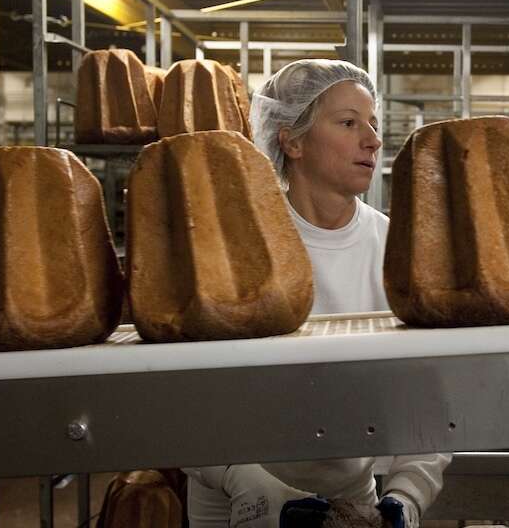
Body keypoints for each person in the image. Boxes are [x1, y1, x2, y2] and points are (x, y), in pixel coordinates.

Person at [184, 59, 451, 528]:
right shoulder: (240, 243)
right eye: (349, 123)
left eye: (372, 123)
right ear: (291, 139)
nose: (372, 139)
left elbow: (428, 394)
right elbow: (184, 389)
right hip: (238, 498)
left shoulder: (394, 247)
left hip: (349, 500)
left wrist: (407, 495)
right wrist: (250, 484)